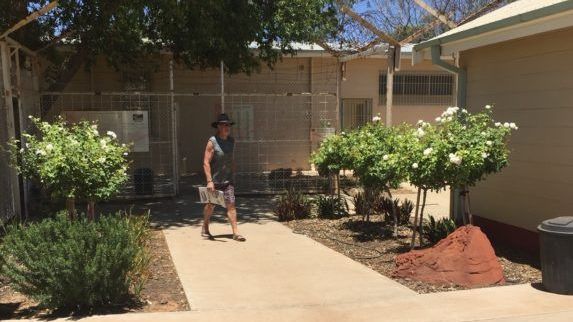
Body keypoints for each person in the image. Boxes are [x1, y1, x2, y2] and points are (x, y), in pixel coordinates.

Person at [202, 113, 246, 242]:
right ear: (218, 126)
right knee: (210, 206)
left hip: (227, 181)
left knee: (231, 205)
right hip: (214, 182)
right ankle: (205, 225)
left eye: (228, 125)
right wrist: (209, 181)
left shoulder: (232, 141)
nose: (227, 127)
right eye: (224, 125)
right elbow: (205, 162)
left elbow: (231, 158)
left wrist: (233, 172)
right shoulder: (212, 142)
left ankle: (236, 232)